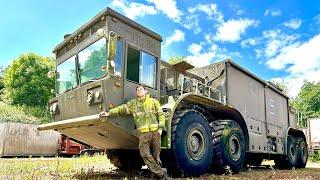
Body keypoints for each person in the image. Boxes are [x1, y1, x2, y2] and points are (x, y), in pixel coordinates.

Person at [99, 85, 169, 180]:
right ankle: (162, 173)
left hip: (156, 133)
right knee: (145, 154)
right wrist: (108, 113)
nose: (139, 91)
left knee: (156, 156)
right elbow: (121, 109)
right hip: (144, 135)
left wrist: (160, 128)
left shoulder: (154, 102)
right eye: (137, 90)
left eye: (141, 89)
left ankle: (158, 175)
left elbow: (161, 115)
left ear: (145, 91)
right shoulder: (133, 104)